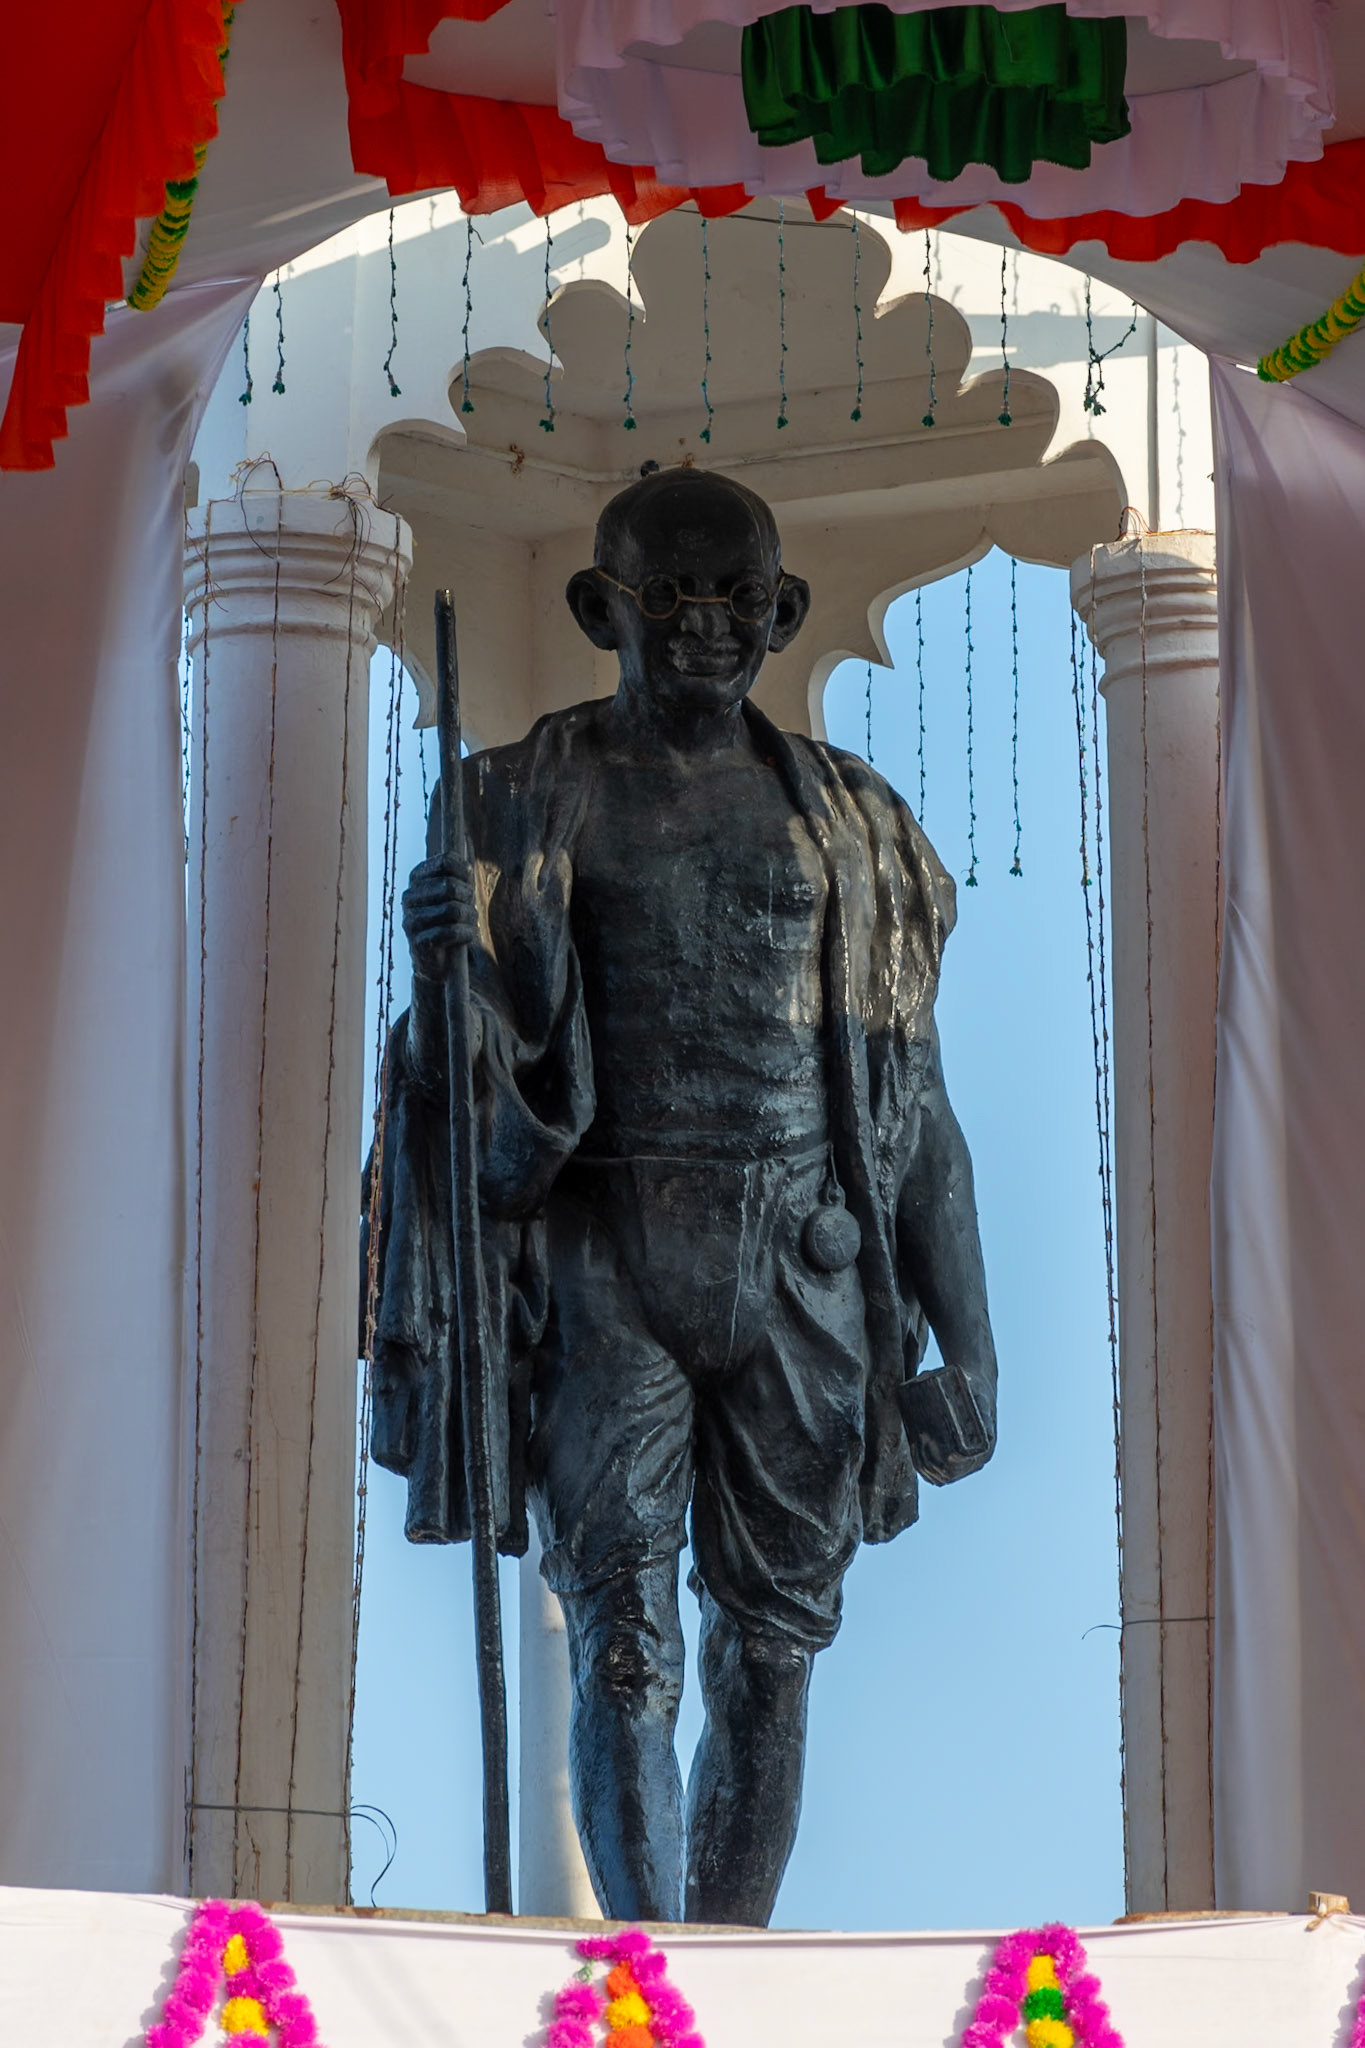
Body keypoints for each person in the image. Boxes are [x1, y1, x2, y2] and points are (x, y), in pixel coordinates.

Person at [365, 463, 998, 1926]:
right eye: (670, 597)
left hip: (804, 1260)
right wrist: (444, 971)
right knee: (623, 1635)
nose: (707, 626)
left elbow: (909, 1099)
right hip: (605, 1251)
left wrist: (968, 1344)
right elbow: (460, 1083)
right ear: (603, 611)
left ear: (784, 612)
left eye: (737, 598)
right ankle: (649, 1968)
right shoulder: (515, 797)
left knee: (773, 1649)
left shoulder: (853, 824)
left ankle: (730, 1959)